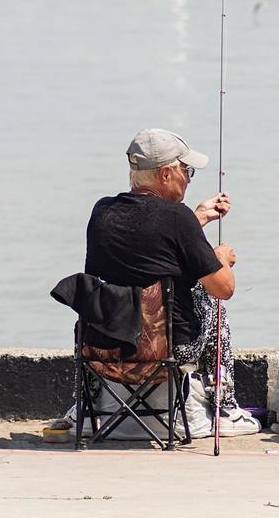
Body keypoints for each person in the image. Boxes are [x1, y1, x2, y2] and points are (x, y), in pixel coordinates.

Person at [50, 127, 259, 437]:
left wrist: (196, 219)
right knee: (210, 299)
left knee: (98, 297)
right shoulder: (177, 218)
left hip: (104, 345)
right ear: (165, 174)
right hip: (167, 348)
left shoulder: (102, 212)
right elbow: (224, 288)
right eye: (186, 170)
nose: (188, 177)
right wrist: (220, 259)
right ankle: (224, 406)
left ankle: (84, 400)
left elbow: (148, 247)